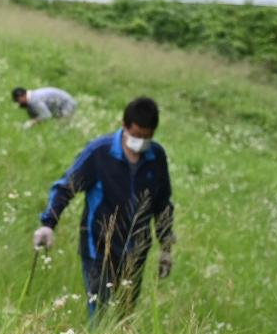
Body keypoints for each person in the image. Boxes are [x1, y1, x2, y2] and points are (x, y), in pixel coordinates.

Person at [33, 96, 176, 317]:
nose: (141, 142)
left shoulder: (156, 156)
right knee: (99, 311)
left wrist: (166, 248)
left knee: (125, 312)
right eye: (136, 135)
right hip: (98, 247)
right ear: (124, 126)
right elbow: (65, 187)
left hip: (136, 250)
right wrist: (48, 224)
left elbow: (162, 203)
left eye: (147, 137)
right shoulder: (99, 153)